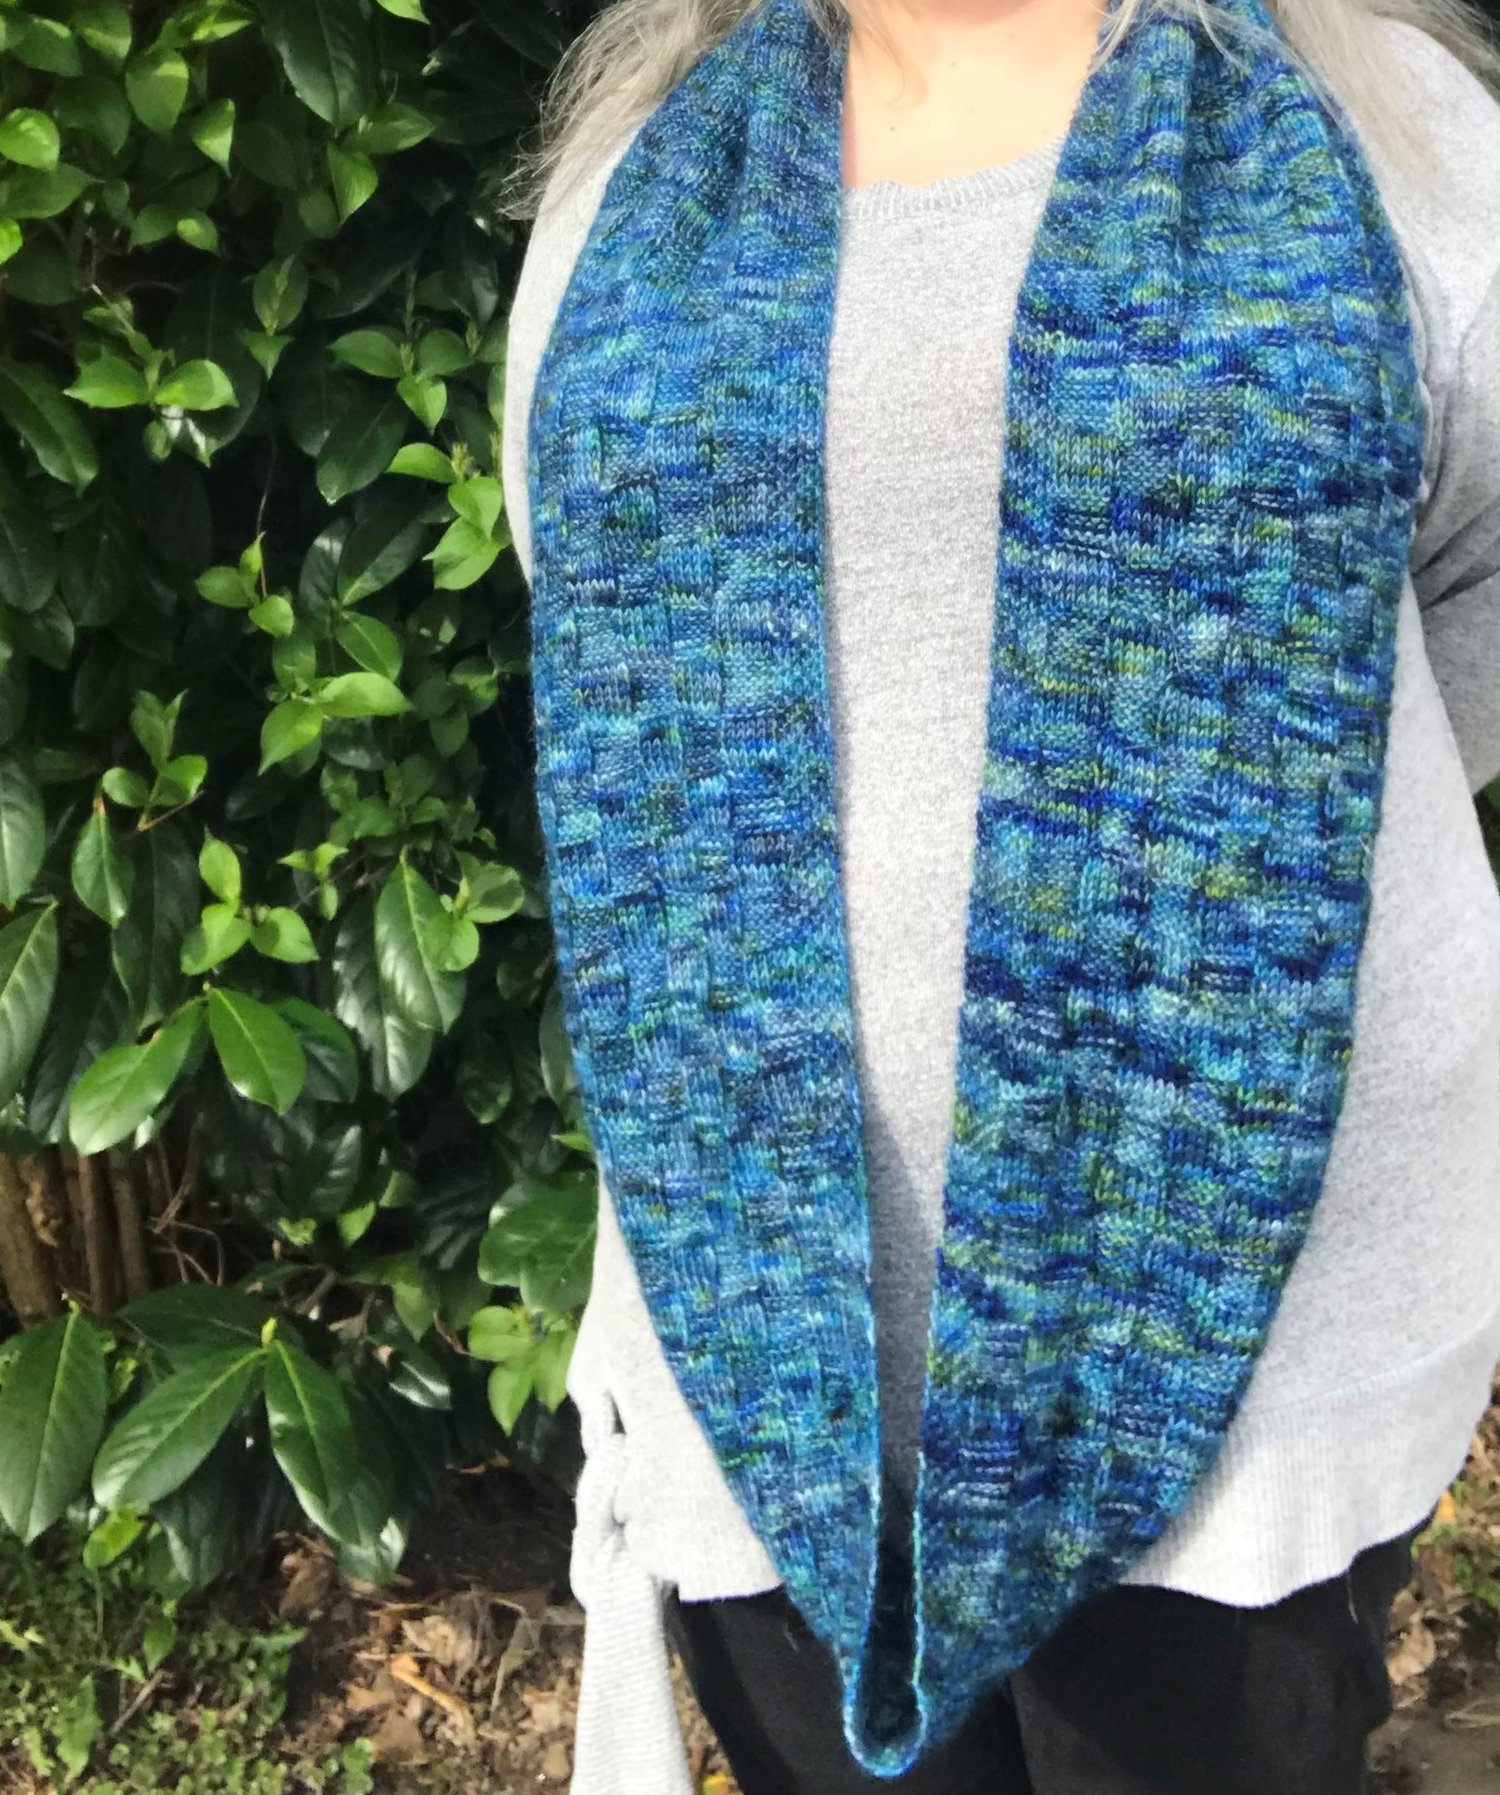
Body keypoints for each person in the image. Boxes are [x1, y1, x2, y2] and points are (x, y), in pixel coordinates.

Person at [497, 0, 1500, 1789]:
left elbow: (1468, 579)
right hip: (765, 1337)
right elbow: (589, 615)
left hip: (1257, 1349)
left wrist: (1245, 836)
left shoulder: (1382, 132)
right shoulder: (638, 184)